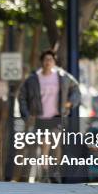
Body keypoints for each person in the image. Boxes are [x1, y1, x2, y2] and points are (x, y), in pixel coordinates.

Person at [17, 50, 81, 182]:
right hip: (40, 117)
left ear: (54, 62)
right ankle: (45, 172)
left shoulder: (62, 76)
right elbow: (22, 96)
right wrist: (26, 114)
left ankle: (54, 170)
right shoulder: (34, 78)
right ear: (42, 62)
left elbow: (76, 89)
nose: (48, 62)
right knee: (44, 145)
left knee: (56, 145)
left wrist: (70, 102)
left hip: (56, 116)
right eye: (46, 59)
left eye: (51, 59)